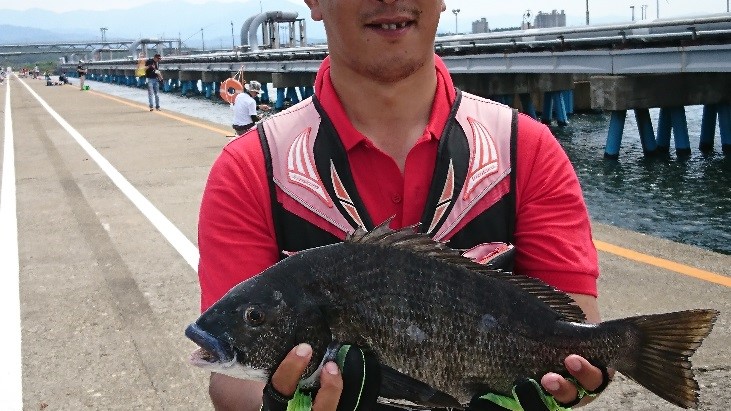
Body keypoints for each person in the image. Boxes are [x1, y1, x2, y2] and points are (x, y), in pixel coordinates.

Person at [196, 0, 608, 410]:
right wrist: (276, 406)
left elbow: (578, 340)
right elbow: (231, 382)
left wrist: (575, 381)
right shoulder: (249, 169)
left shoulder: (527, 150)